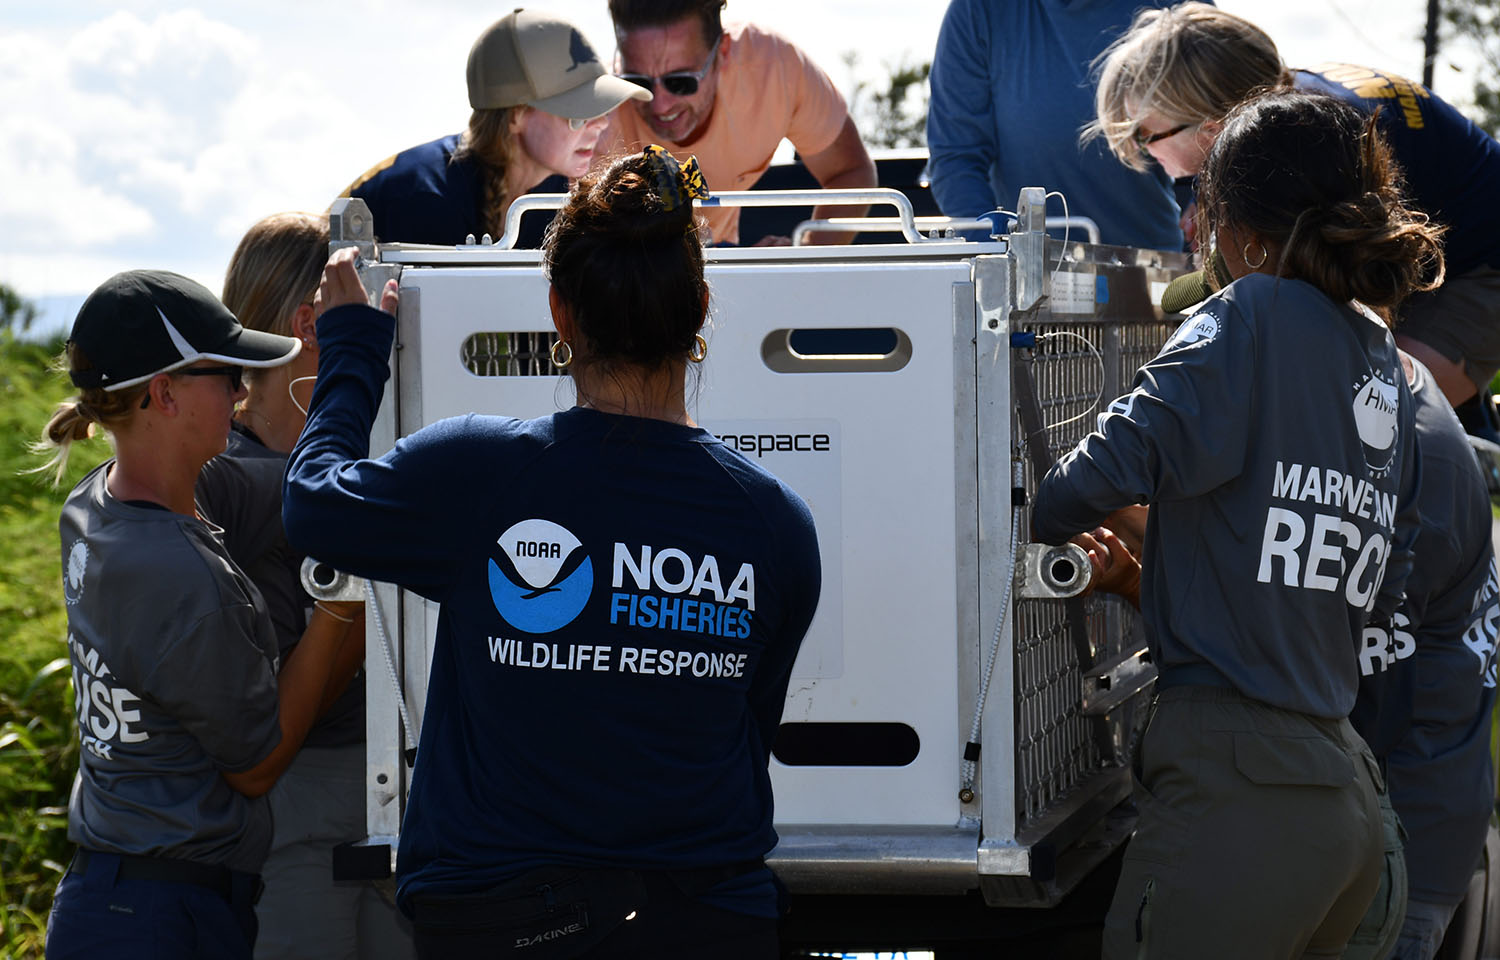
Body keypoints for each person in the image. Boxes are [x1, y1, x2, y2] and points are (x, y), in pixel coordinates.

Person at [282, 147, 821, 958]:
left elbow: (312, 502)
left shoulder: (479, 471)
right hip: (711, 920)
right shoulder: (776, 522)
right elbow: (746, 725)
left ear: (560, 314)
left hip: (509, 923)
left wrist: (354, 349)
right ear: (701, 308)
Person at [1032, 89, 1440, 957]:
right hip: (1349, 803)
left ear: (1243, 232)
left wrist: (1034, 498)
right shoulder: (1385, 363)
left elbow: (1082, 486)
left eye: (1204, 208)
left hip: (1241, 800)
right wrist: (1162, 569)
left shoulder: (1245, 316)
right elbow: (1342, 578)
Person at [40, 270, 366, 959]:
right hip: (164, 916)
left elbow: (290, 488)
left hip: (111, 896)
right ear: (163, 394)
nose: (242, 393)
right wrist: (343, 609)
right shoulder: (185, 579)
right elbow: (258, 764)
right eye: (227, 376)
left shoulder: (95, 506)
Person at [1090, 2, 1500, 411]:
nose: (1142, 152)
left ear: (1212, 130)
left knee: (1374, 409)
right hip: (1422, 240)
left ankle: (1470, 434)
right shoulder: (1273, 122)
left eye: (1146, 134)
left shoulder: (1321, 144)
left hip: (1482, 259)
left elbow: (1338, 300)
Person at [195, 212, 414, 960]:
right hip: (295, 807)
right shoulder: (231, 485)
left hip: (375, 796)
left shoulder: (230, 464)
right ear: (310, 323)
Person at [340, 9, 649, 246]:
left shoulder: (552, 193)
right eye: (577, 114)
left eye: (602, 110)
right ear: (515, 117)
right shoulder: (423, 199)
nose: (601, 124)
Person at [602, 0, 877, 245]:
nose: (660, 105)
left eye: (681, 82)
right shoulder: (598, 114)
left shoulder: (775, 69)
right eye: (638, 82)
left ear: (722, 51)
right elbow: (598, 255)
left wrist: (803, 258)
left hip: (722, 255)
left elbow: (850, 172)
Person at [926, 0, 1186, 251]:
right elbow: (956, 158)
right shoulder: (977, 9)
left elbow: (1210, 114)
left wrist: (1204, 204)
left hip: (1152, 263)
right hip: (1025, 272)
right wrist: (995, 253)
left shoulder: (1175, 3)